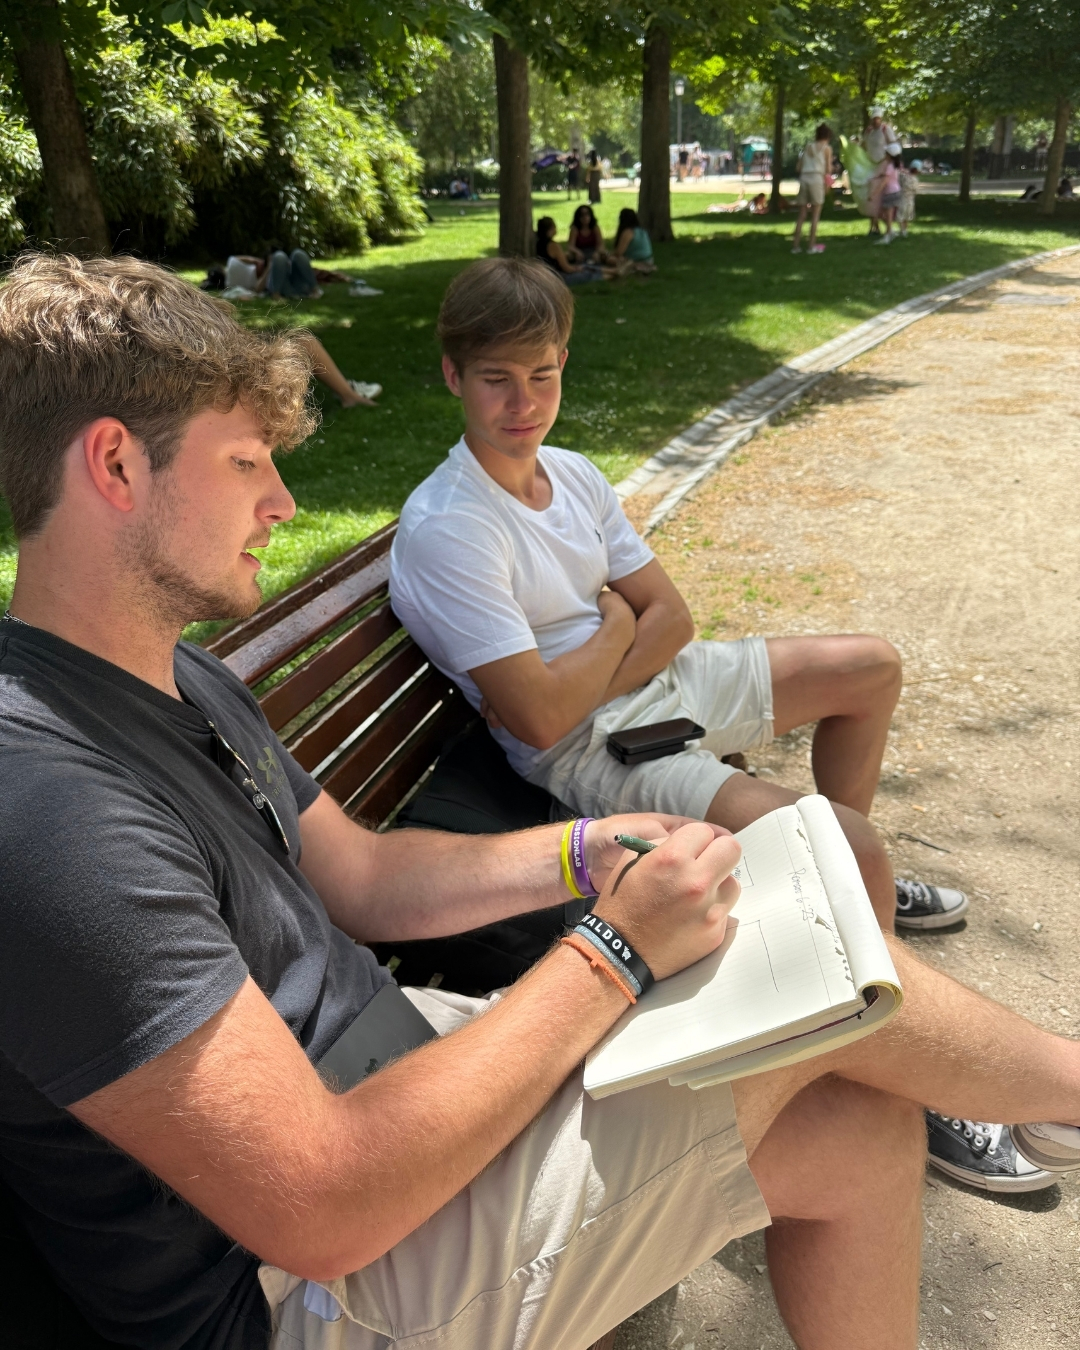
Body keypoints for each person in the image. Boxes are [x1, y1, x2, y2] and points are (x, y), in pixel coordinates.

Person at [3, 252, 1080, 1350]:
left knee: (841, 1096)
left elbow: (363, 876)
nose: (281, 502)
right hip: (305, 1286)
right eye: (245, 464)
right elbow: (319, 1205)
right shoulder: (45, 805)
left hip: (385, 1073)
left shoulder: (178, 675)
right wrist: (613, 950)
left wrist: (582, 850)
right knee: (803, 1000)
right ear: (115, 465)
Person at [389, 256, 1080, 1194]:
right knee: (846, 844)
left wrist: (618, 634)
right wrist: (621, 624)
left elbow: (668, 613)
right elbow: (544, 711)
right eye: (497, 379)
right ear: (451, 376)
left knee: (868, 668)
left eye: (543, 374)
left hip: (653, 684)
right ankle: (920, 1091)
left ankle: (852, 905)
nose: (524, 402)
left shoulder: (573, 474)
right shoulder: (449, 528)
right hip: (588, 748)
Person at [791, 123, 832, 254]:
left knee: (801, 215)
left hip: (804, 178)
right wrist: (828, 185)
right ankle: (811, 246)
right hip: (816, 179)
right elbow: (828, 170)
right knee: (815, 215)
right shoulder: (827, 148)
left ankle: (795, 246)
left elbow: (798, 167)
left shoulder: (808, 146)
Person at [536, 215, 608, 285]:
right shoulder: (553, 246)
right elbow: (566, 268)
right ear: (551, 228)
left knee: (585, 267)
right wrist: (576, 269)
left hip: (547, 275)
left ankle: (612, 271)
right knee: (586, 273)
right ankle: (610, 274)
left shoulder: (539, 243)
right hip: (559, 276)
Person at [862, 107, 897, 236]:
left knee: (884, 197)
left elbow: (893, 146)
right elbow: (864, 145)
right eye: (874, 119)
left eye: (878, 119)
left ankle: (888, 227)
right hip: (871, 165)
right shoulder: (869, 131)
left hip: (883, 165)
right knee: (872, 196)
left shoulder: (885, 130)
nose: (876, 121)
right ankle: (874, 225)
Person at [610, 208, 657, 274]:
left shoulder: (628, 232)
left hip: (635, 261)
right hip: (649, 260)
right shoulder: (642, 231)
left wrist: (608, 254)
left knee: (611, 259)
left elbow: (618, 253)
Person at [874, 151, 903, 245]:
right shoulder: (895, 165)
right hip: (896, 190)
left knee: (887, 215)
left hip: (889, 192)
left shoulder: (890, 166)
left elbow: (884, 182)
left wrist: (874, 193)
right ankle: (891, 231)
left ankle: (888, 235)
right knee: (883, 214)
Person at [896, 161, 918, 237]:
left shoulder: (904, 176)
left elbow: (899, 181)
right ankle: (904, 231)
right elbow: (915, 190)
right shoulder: (915, 179)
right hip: (910, 200)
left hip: (903, 199)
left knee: (901, 216)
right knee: (906, 216)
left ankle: (902, 230)